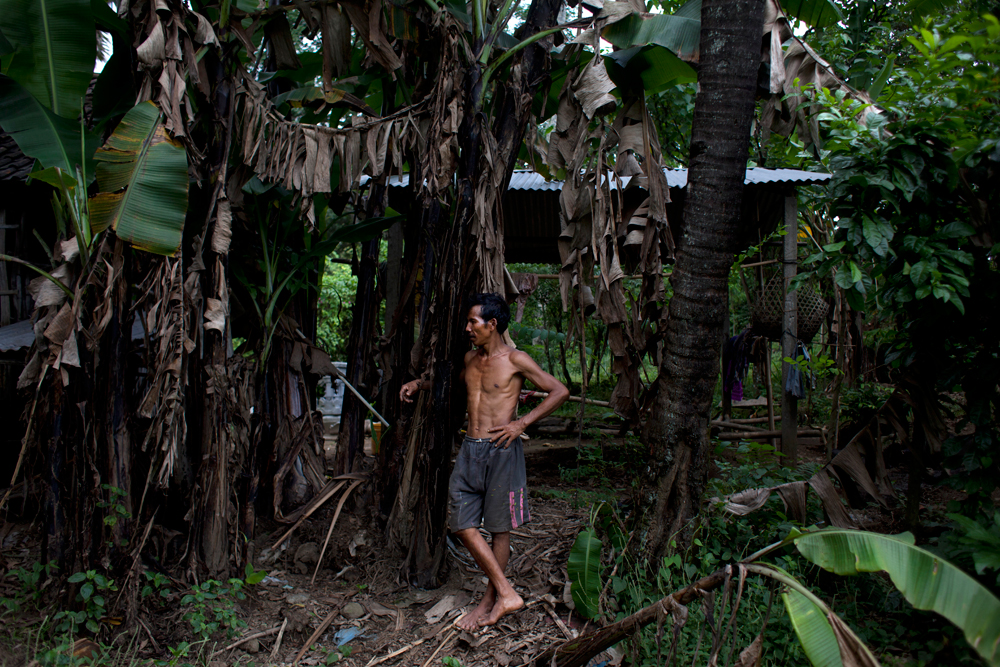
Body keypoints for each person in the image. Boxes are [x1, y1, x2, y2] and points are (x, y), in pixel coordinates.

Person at [400, 293, 569, 629]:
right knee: (462, 524)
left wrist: (521, 423)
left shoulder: (516, 359)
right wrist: (420, 383)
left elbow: (559, 390)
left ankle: (491, 601)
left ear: (492, 325)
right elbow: (456, 390)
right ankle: (507, 592)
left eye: (473, 322)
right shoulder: (470, 360)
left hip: (502, 450)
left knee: (498, 529)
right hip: (469, 449)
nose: (467, 328)